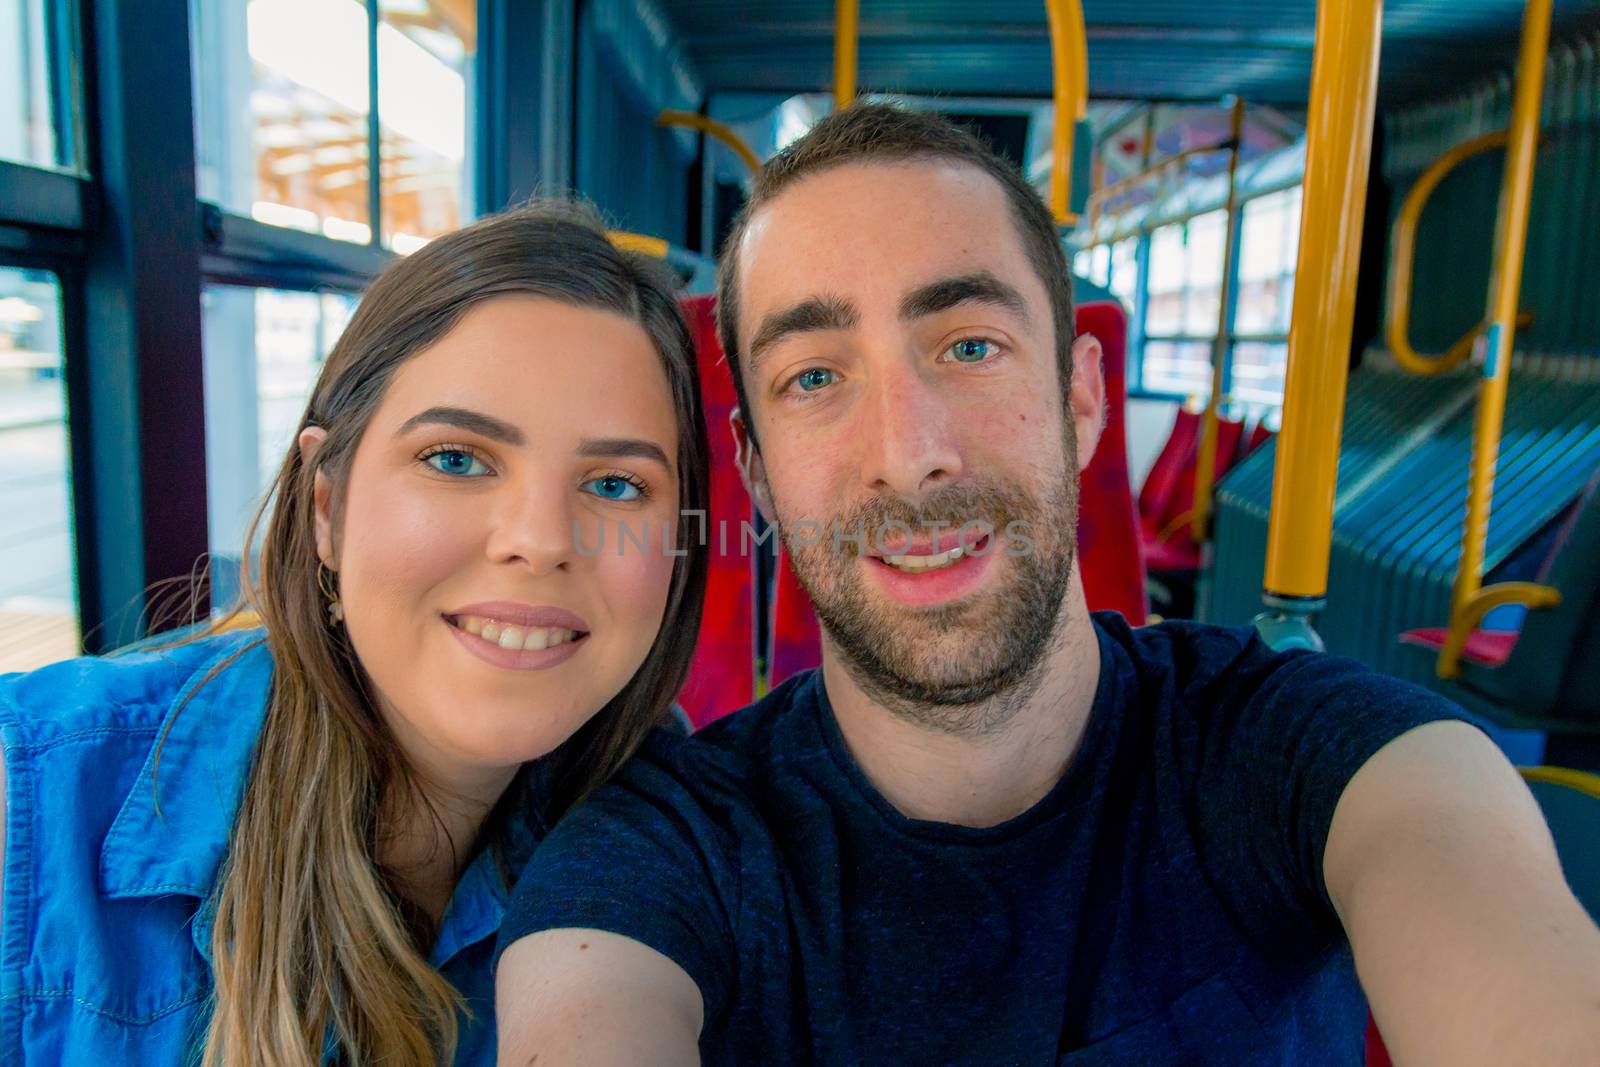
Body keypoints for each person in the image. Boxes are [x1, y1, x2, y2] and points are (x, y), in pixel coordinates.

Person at [495, 105, 1600, 1065]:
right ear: (756, 473)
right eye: (815, 376)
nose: (909, 450)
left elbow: (1477, 903)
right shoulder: (654, 861)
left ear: (1081, 398)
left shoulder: (1315, 757)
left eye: (969, 345)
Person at [0, 201, 709, 1066]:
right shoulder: (32, 805)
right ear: (327, 506)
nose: (541, 539)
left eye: (615, 483)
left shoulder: (688, 832)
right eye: (456, 458)